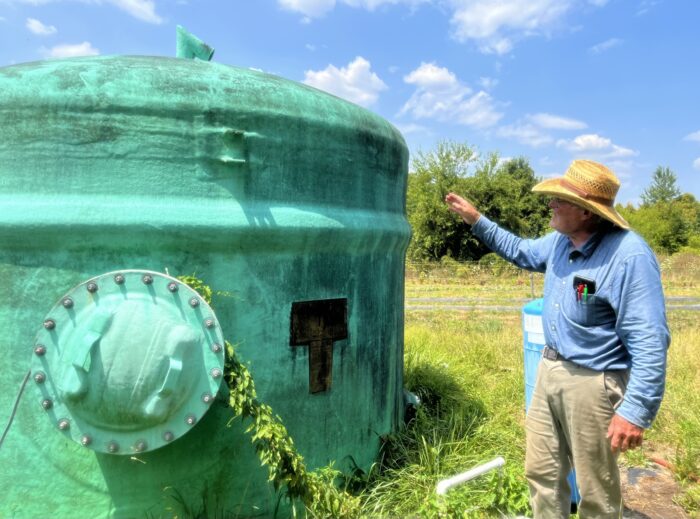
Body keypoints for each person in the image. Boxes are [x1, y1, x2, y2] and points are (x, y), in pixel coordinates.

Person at [444, 159, 670, 519]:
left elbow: (650, 340)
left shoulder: (628, 256)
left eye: (559, 200)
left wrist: (635, 411)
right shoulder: (559, 243)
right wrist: (476, 219)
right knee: (542, 472)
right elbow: (520, 250)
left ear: (585, 212)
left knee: (595, 490)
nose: (551, 204)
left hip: (593, 383)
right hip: (548, 371)